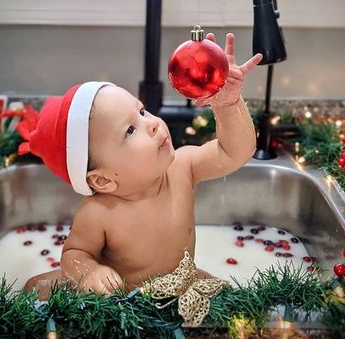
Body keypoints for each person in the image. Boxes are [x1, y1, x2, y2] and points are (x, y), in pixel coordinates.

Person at [22, 33, 262, 299]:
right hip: (123, 299)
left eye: (142, 111)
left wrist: (228, 104)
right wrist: (89, 273)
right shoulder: (99, 212)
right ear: (102, 181)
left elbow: (235, 152)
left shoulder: (182, 167)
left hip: (180, 281)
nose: (153, 123)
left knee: (233, 302)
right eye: (129, 131)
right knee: (35, 288)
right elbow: (74, 255)